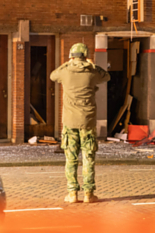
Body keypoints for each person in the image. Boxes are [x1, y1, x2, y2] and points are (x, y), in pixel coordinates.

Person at [50, 43, 110, 203]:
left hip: (69, 122)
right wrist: (93, 65)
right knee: (88, 157)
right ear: (85, 56)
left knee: (71, 159)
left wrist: (67, 63)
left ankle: (72, 194)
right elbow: (107, 76)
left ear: (71, 55)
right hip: (88, 122)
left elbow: (52, 75)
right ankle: (89, 194)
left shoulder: (65, 71)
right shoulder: (92, 72)